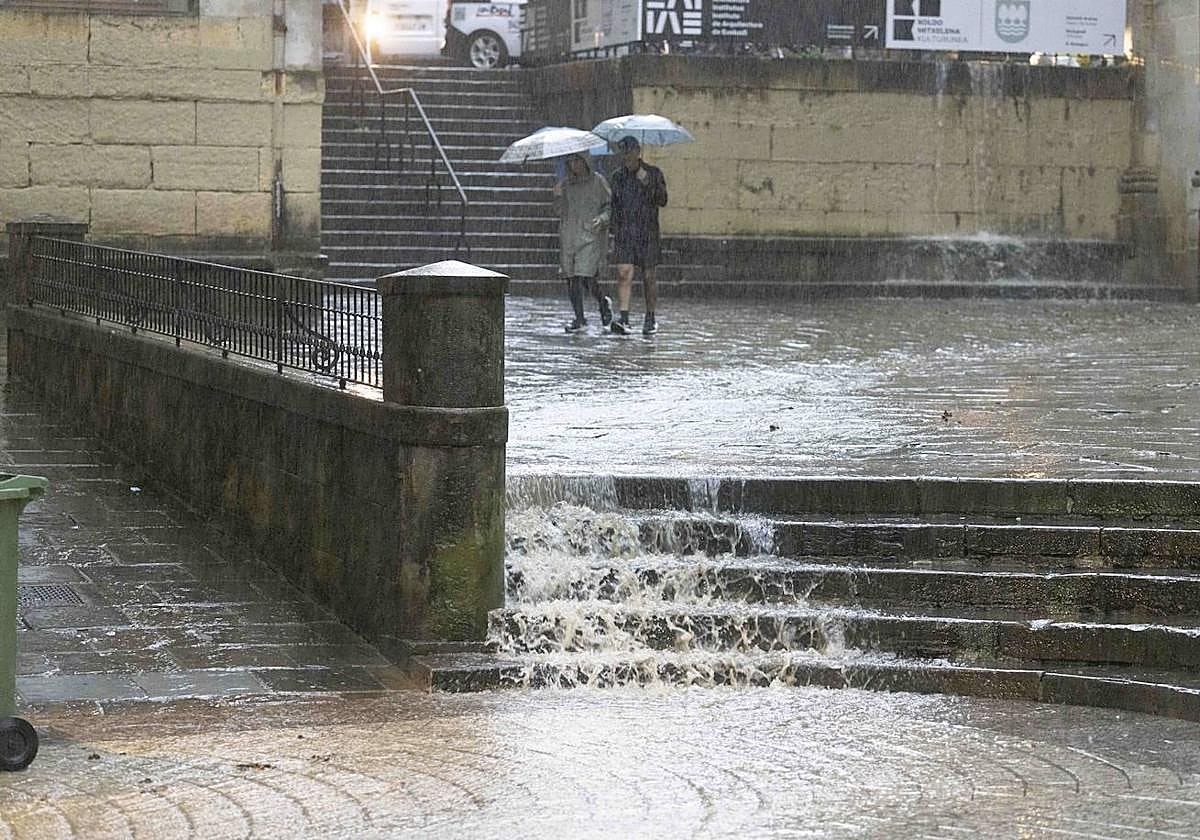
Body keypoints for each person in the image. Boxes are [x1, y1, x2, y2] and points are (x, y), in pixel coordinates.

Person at [608, 135, 668, 335]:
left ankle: (650, 316)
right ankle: (624, 318)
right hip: (625, 232)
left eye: (630, 151)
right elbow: (614, 204)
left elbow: (662, 199)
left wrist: (647, 182)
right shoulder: (618, 177)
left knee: (649, 276)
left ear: (637, 152)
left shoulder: (653, 173)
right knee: (624, 273)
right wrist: (614, 229)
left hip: (647, 232)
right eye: (624, 152)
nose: (627, 156)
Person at [554, 152, 614, 333]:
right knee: (571, 277)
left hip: (590, 235)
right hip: (569, 235)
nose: (574, 165)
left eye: (578, 160)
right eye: (571, 161)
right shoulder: (566, 185)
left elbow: (609, 205)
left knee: (586, 276)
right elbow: (559, 211)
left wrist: (602, 218)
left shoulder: (598, 181)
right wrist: (558, 196)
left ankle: (602, 301)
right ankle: (579, 318)